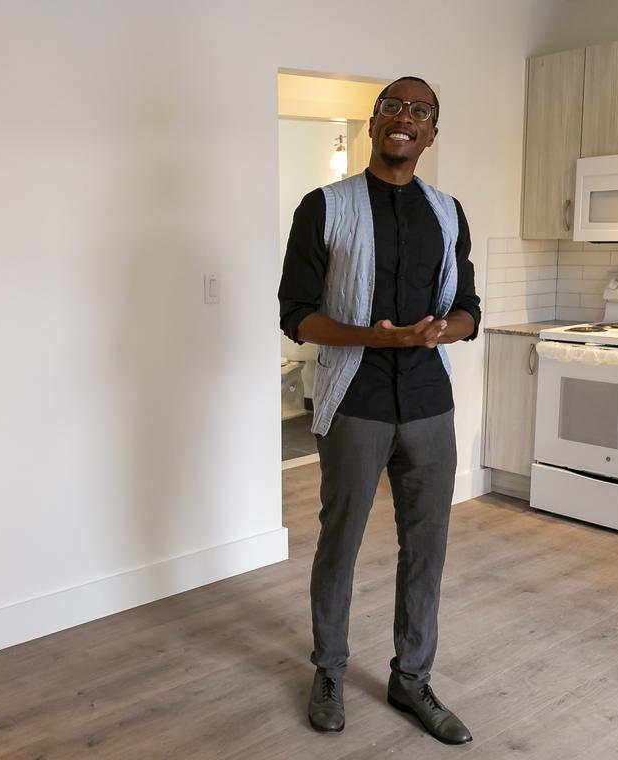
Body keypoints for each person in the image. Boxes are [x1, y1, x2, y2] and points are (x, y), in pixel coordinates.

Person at [277, 76, 480, 744]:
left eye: (419, 112)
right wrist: (376, 336)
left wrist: (439, 332)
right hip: (356, 401)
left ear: (431, 133)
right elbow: (297, 316)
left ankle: (411, 679)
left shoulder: (448, 212)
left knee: (427, 548)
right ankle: (330, 669)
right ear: (372, 125)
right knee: (340, 542)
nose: (405, 119)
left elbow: (469, 312)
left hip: (429, 404)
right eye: (393, 107)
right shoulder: (324, 207)